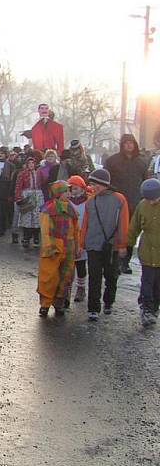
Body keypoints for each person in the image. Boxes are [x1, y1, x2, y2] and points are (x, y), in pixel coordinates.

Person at [80, 169, 130, 322]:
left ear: (104, 184)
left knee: (111, 276)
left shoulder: (119, 199)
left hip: (111, 246)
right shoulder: (90, 202)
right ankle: (93, 308)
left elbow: (123, 223)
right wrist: (81, 243)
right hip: (93, 245)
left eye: (95, 184)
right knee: (94, 277)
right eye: (91, 184)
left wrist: (122, 244)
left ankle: (108, 301)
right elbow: (85, 225)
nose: (93, 188)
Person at [105, 133, 148, 274]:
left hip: (135, 203)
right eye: (126, 143)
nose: (129, 145)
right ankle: (114, 261)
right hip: (117, 202)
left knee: (130, 233)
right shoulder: (113, 161)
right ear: (122, 145)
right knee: (116, 232)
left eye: (132, 142)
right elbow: (106, 180)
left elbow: (145, 181)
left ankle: (125, 262)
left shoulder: (141, 162)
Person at [37, 180, 78, 317]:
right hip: (54, 247)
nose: (69, 194)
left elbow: (76, 229)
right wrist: (49, 247)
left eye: (69, 191)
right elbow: (45, 230)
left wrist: (78, 245)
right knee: (49, 276)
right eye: (66, 191)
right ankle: (45, 304)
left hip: (69, 246)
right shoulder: (49, 209)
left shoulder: (72, 209)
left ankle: (59, 302)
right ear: (58, 193)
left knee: (65, 276)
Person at [127, 178, 160, 327]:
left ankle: (154, 308)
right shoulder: (142, 205)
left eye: (154, 199)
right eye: (148, 199)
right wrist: (127, 245)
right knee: (147, 281)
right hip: (147, 251)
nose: (151, 202)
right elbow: (134, 227)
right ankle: (146, 308)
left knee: (158, 284)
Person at [67, 175, 91, 303]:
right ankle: (66, 289)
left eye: (75, 188)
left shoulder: (88, 202)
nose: (73, 192)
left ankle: (81, 288)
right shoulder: (66, 202)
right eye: (70, 189)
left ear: (82, 188)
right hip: (69, 237)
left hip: (82, 237)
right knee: (68, 266)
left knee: (81, 265)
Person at [14, 155, 43, 249]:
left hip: (38, 196)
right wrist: (18, 197)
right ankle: (26, 237)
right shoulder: (22, 173)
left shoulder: (39, 173)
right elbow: (18, 186)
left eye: (33, 163)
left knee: (37, 217)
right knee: (26, 217)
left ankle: (36, 238)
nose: (31, 165)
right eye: (29, 163)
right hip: (26, 195)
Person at [0, 147, 15, 238]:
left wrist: (10, 193)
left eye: (2, 153)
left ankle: (3, 228)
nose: (0, 155)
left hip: (6, 192)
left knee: (4, 212)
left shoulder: (11, 165)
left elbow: (12, 181)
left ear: (6, 154)